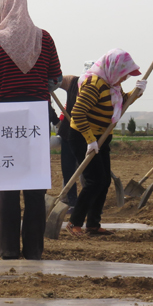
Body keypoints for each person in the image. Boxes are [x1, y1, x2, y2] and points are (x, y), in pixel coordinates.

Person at [0, 0, 62, 260]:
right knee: (35, 186)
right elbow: (55, 79)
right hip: (35, 118)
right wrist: (37, 89)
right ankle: (34, 250)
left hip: (4, 119)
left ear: (4, 10)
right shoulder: (44, 38)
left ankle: (9, 249)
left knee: (8, 184)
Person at [66, 49, 145, 237]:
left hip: (101, 137)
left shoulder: (112, 86)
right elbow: (78, 113)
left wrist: (137, 92)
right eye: (124, 74)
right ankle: (74, 222)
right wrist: (90, 140)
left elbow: (122, 103)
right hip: (83, 137)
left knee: (105, 180)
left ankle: (93, 224)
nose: (125, 78)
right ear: (113, 69)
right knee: (95, 181)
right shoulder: (94, 84)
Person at [56, 61, 94, 211]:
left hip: (87, 136)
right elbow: (57, 80)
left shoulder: (100, 87)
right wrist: (47, 79)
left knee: (88, 172)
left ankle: (89, 202)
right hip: (67, 134)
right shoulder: (73, 83)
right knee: (68, 170)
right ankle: (71, 201)